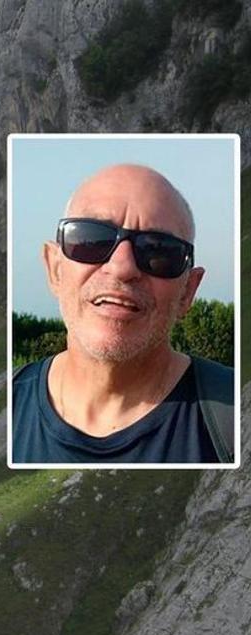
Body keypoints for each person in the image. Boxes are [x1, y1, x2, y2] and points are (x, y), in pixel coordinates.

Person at [12, 164, 233, 464]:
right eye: (91, 240)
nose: (122, 267)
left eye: (158, 251)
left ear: (187, 292)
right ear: (54, 269)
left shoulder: (235, 418)